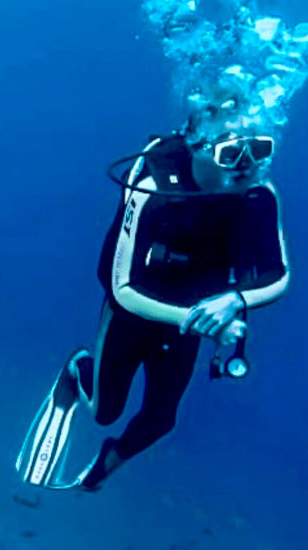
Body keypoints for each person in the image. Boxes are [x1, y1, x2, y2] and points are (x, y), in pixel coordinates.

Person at [16, 94, 290, 491]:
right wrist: (197, 320)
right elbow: (122, 288)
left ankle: (102, 468)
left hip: (194, 316)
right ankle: (78, 369)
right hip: (134, 312)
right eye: (231, 153)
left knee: (161, 420)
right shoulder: (153, 189)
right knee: (104, 412)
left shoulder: (260, 194)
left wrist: (235, 300)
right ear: (198, 148)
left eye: (259, 149)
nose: (246, 165)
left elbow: (278, 275)